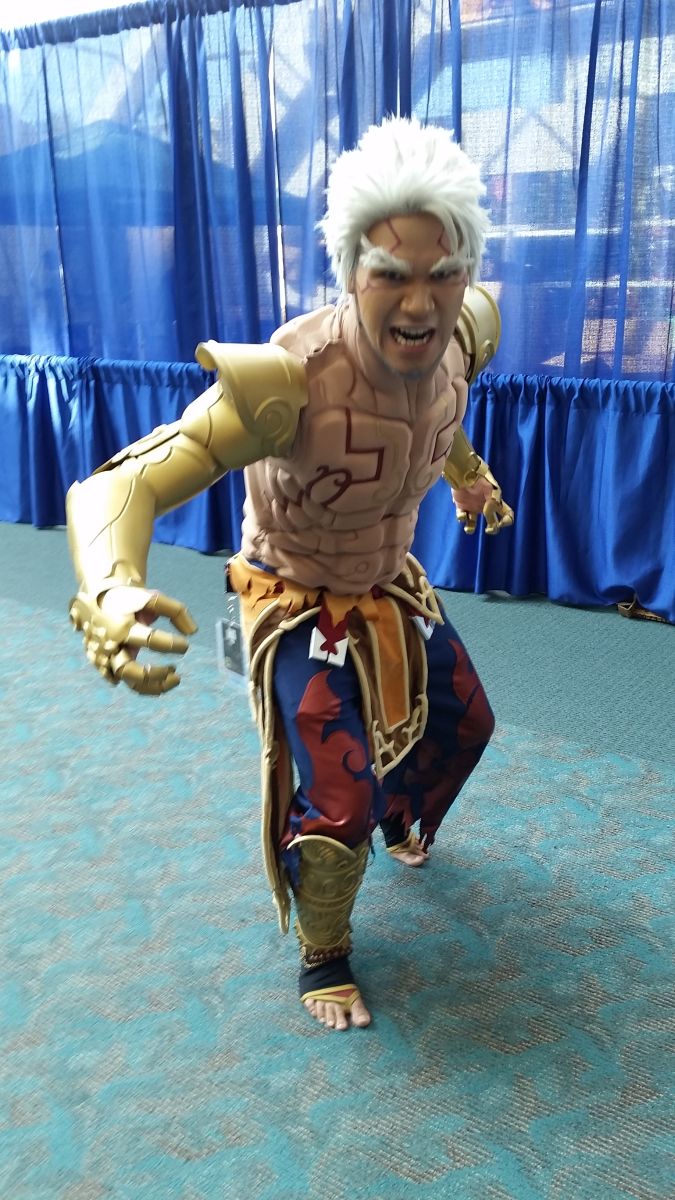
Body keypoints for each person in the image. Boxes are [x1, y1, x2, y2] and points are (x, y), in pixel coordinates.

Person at [66, 116, 513, 1033]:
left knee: (466, 722)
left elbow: (439, 414)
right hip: (297, 600)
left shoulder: (463, 336)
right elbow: (126, 482)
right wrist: (109, 582)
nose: (420, 302)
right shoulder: (288, 381)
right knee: (338, 799)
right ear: (349, 270)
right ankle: (324, 951)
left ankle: (399, 811)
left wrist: (467, 477)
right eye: (391, 274)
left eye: (442, 273)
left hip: (389, 581)